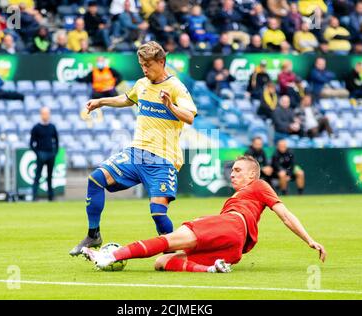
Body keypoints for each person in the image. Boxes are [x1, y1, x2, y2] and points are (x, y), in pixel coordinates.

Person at [82, 156, 326, 272]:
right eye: (232, 170)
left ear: (252, 175)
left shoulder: (259, 186)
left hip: (232, 227)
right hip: (233, 249)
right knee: (162, 262)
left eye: (238, 170)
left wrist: (309, 239)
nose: (232, 174)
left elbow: (285, 214)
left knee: (168, 241)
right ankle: (211, 269)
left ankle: (110, 256)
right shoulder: (238, 199)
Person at [69, 41, 197, 256]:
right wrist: (101, 102)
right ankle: (93, 235)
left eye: (149, 65)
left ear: (161, 62)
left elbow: (190, 116)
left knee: (157, 212)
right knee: (96, 179)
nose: (145, 69)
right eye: (142, 65)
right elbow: (126, 99)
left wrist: (170, 106)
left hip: (162, 159)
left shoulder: (175, 87)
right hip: (136, 153)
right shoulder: (142, 84)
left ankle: (173, 254)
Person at [30, 107, 59, 202]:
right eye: (44, 113)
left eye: (47, 113)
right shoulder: (36, 127)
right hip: (41, 154)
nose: (46, 115)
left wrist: (55, 152)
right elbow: (31, 143)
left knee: (50, 176)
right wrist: (38, 153)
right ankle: (34, 196)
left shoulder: (52, 127)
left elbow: (56, 140)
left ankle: (51, 197)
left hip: (51, 154)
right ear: (41, 114)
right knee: (38, 175)